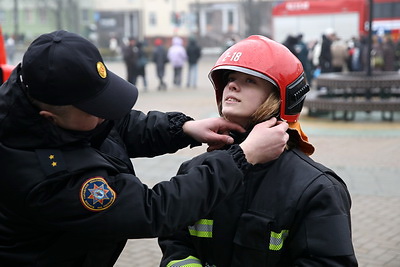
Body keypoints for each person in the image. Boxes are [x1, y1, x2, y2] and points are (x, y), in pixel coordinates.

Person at [0, 30, 289, 265]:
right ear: (50, 118)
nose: (105, 114)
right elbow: (155, 211)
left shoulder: (45, 107)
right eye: (95, 109)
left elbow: (117, 126)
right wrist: (243, 157)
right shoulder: (46, 177)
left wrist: (183, 129)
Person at [159, 35, 358, 267]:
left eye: (250, 80)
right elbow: (175, 244)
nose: (232, 85)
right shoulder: (195, 169)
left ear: (280, 97)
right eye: (231, 78)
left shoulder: (317, 189)